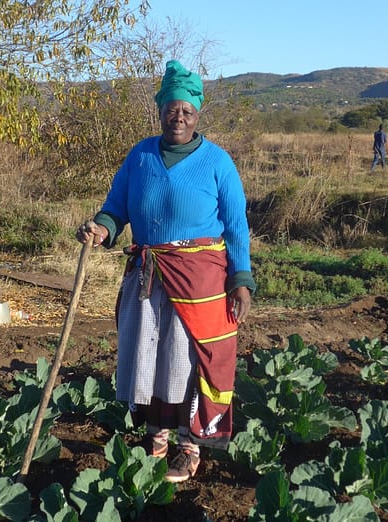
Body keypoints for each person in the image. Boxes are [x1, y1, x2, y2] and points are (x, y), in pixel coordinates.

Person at [75, 60, 255, 483]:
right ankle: (155, 441)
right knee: (148, 357)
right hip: (149, 276)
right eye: (172, 109)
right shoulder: (140, 156)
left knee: (185, 360)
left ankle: (188, 447)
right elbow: (116, 207)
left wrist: (240, 279)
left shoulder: (217, 163)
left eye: (187, 111)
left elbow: (236, 227)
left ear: (197, 116)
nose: (179, 117)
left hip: (201, 282)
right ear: (160, 111)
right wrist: (101, 227)